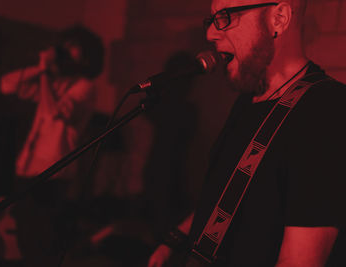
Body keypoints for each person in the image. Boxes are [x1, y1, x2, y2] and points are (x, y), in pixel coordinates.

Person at [148, 0, 346, 266]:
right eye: (212, 20)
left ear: (279, 18)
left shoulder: (326, 108)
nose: (210, 34)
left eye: (226, 17)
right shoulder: (249, 99)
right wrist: (173, 240)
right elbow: (226, 193)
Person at [0, 25, 104, 266]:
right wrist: (40, 67)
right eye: (66, 44)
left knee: (42, 239)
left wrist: (45, 73)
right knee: (25, 236)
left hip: (53, 172)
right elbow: (7, 84)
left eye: (74, 46)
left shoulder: (85, 87)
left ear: (86, 54)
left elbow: (52, 111)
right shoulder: (55, 83)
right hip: (28, 167)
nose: (66, 50)